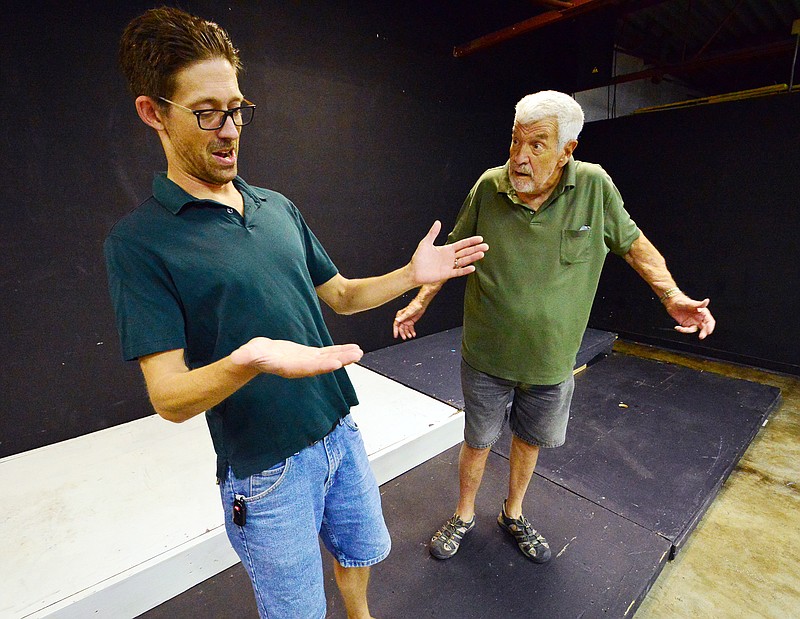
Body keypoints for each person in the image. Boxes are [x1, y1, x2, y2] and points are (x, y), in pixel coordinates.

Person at [105, 8, 487, 619]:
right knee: (296, 610)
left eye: (236, 109)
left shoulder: (276, 206)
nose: (229, 130)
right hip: (265, 471)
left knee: (362, 552)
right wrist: (248, 361)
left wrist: (410, 277)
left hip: (340, 428)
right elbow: (169, 397)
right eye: (206, 112)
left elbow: (339, 295)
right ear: (154, 112)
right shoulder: (140, 244)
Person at [393, 90, 715, 564]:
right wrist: (419, 301)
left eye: (537, 145)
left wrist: (671, 296)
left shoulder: (594, 187)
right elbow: (448, 255)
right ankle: (463, 514)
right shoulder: (489, 186)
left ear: (569, 149)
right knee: (478, 440)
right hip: (487, 355)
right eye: (515, 142)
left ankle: (512, 513)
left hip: (551, 361)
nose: (520, 158)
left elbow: (634, 245)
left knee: (528, 440)